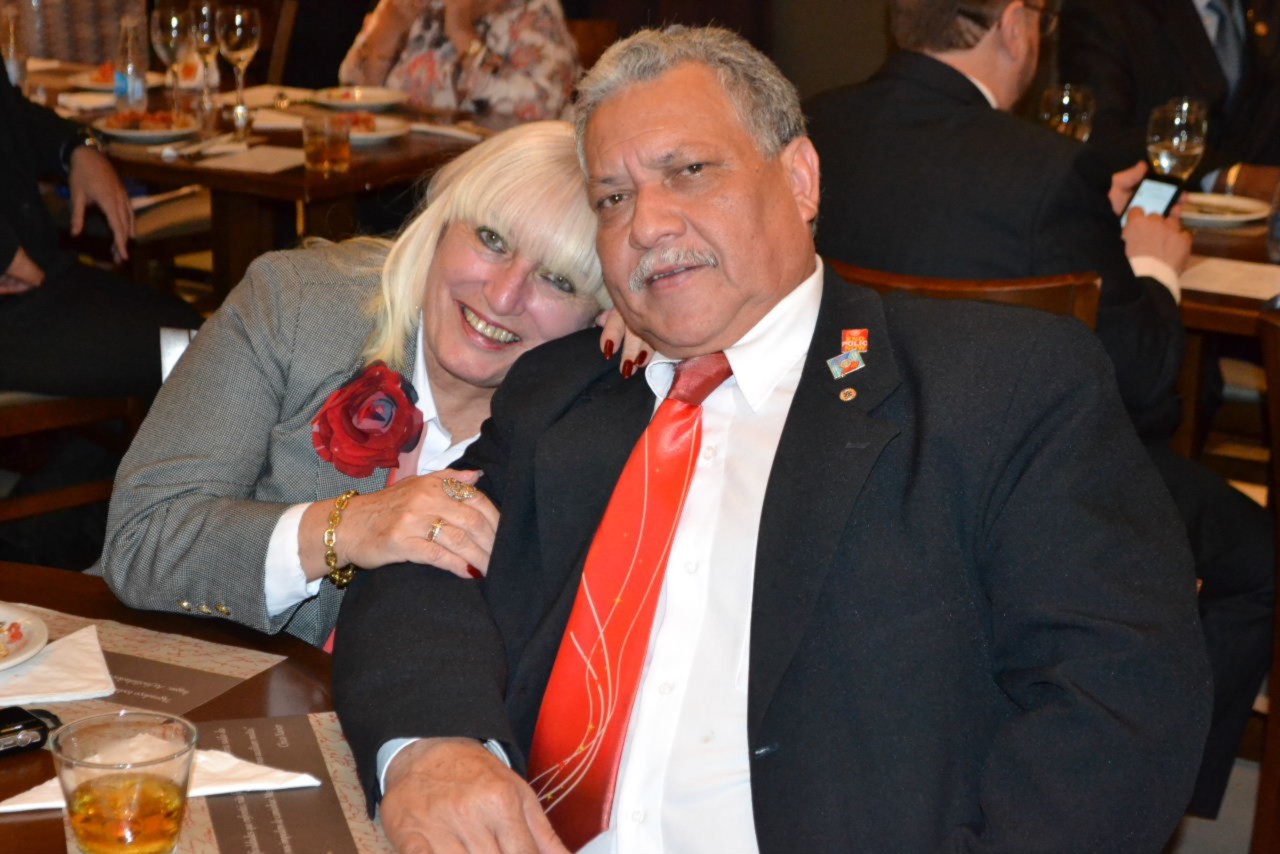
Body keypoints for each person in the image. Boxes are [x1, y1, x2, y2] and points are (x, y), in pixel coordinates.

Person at [333, 25, 1212, 854]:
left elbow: (1120, 698)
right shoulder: (565, 391)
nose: (647, 223)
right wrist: (432, 747)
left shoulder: (993, 389)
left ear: (800, 179)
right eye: (613, 197)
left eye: (688, 171)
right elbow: (423, 561)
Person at [805, 0, 1272, 820]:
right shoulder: (1048, 173)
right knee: (1261, 559)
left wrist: (1090, 224)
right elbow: (1144, 385)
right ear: (1016, 22)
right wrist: (1150, 267)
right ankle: (1157, 802)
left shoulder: (813, 129)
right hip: (1006, 487)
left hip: (834, 450)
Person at [96, 121, 626, 649]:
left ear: (603, 314)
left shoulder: (598, 415)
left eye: (559, 280)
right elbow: (143, 538)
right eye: (492, 241)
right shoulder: (297, 305)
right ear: (441, 226)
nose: (504, 295)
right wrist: (346, 528)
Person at [0, 66, 202, 398]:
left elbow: (9, 111)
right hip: (16, 300)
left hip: (36, 274)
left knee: (189, 330)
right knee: (194, 351)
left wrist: (76, 149)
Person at [1058, 0, 1280, 177]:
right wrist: (1226, 178)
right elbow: (1099, 133)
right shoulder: (1105, 9)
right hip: (1150, 209)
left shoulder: (1264, 9)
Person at [339, 0, 579, 121]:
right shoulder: (406, 5)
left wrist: (462, 32)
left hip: (489, 178)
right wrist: (388, 31)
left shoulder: (533, 10)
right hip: (396, 174)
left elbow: (545, 109)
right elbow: (349, 90)